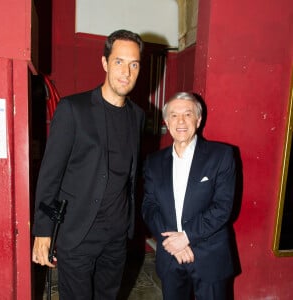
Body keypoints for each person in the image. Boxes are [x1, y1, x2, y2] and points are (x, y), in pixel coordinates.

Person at [32, 29, 145, 300]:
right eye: (119, 61)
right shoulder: (73, 109)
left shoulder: (138, 116)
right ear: (105, 63)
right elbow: (50, 174)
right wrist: (43, 231)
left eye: (134, 64)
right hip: (78, 232)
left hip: (117, 236)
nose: (126, 72)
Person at [142, 92, 236, 300]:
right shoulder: (153, 162)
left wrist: (186, 237)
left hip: (209, 257)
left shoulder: (221, 155)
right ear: (167, 121)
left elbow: (222, 207)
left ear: (199, 119)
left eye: (188, 114)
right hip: (170, 257)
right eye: (174, 115)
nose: (181, 121)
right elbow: (149, 206)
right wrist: (173, 243)